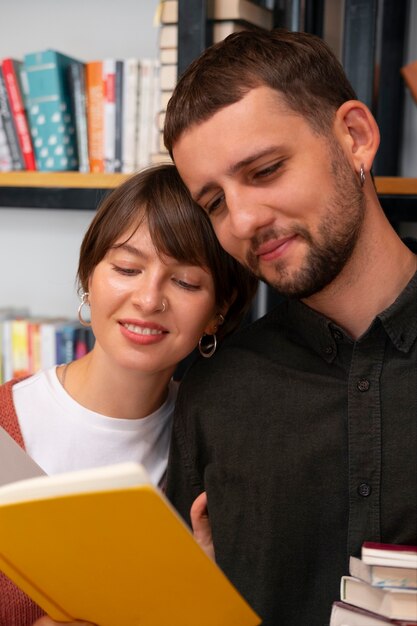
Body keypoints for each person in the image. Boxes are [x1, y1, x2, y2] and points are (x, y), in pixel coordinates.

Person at [159, 28, 417, 626]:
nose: (244, 220)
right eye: (215, 203)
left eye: (266, 170)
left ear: (355, 137)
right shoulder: (215, 387)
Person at [0, 163, 257, 626]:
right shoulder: (6, 426)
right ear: (89, 277)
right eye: (126, 268)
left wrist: (193, 600)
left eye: (184, 282)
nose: (148, 299)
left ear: (219, 310)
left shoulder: (220, 452)